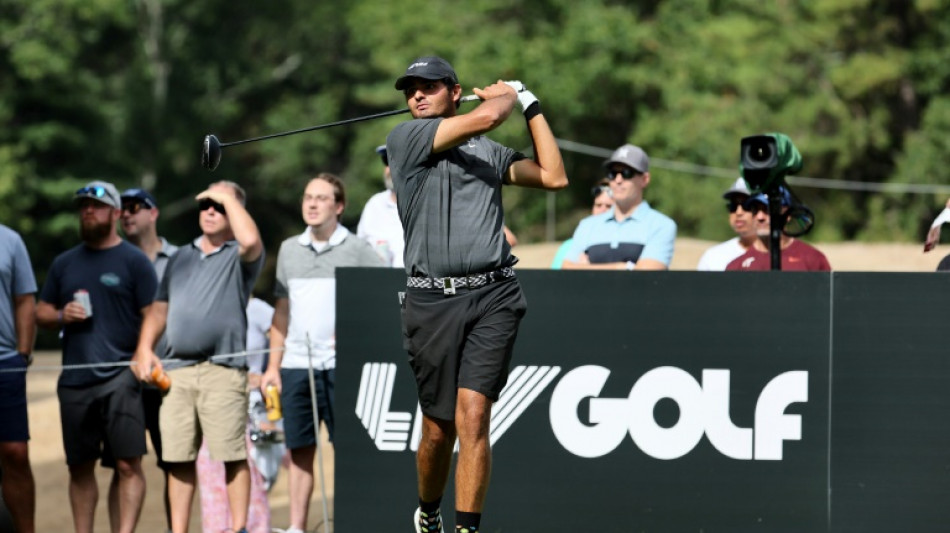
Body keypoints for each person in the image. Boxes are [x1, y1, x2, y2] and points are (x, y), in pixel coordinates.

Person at [385, 55, 568, 533]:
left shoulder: (487, 152)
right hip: (431, 301)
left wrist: (530, 104)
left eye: (428, 87)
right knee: (437, 430)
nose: (417, 96)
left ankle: (467, 528)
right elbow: (487, 115)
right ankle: (429, 509)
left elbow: (554, 176)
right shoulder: (405, 139)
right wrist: (506, 94)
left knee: (474, 416)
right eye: (411, 90)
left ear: (454, 90)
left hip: (493, 295)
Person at [132, 180, 264, 533]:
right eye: (206, 203)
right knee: (177, 459)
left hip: (223, 370)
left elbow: (251, 240)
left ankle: (238, 529)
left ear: (236, 212)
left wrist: (227, 196)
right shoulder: (180, 257)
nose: (210, 210)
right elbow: (159, 310)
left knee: (232, 456)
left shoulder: (241, 256)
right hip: (178, 372)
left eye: (220, 206)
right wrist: (144, 348)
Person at [261, 172, 384, 533]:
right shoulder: (288, 249)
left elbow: (381, 297)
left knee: (348, 450)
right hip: (297, 365)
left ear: (339, 206)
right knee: (299, 451)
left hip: (341, 366)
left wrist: (356, 334)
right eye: (307, 197)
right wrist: (273, 366)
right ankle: (298, 527)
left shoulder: (357, 249)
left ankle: (351, 522)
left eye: (321, 198)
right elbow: (281, 310)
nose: (312, 204)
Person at [35, 181, 157, 533]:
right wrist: (61, 316)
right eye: (84, 206)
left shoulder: (134, 261)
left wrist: (142, 350)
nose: (89, 211)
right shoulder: (64, 263)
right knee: (80, 467)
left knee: (128, 465)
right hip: (75, 381)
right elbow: (40, 311)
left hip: (121, 376)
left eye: (97, 206)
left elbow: (155, 311)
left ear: (116, 213)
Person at [118, 187, 176, 531]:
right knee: (124, 464)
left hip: (167, 377)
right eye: (122, 208)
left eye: (135, 207)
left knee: (174, 463)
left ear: (153, 213)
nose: (127, 213)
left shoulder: (182, 258)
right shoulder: (112, 258)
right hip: (123, 380)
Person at [196, 296, 275, 533]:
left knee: (253, 474)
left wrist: (267, 372)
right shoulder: (206, 304)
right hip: (212, 400)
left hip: (253, 406)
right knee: (211, 476)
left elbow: (287, 343)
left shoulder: (259, 309)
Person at [561, 144, 676, 270]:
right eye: (613, 173)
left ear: (644, 179)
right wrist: (624, 267)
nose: (618, 179)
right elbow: (567, 269)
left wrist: (587, 268)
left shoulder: (661, 225)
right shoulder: (587, 225)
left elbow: (646, 276)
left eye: (627, 173)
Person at [0, 223, 37, 533]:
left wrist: (22, 354)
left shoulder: (10, 240)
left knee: (15, 453)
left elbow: (25, 299)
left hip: (5, 364)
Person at [725, 187, 831, 271]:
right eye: (755, 210)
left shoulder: (813, 260)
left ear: (787, 215)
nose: (760, 217)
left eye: (768, 209)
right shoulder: (736, 267)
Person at [358, 145, 405, 267]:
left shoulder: (429, 203)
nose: (390, 169)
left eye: (397, 161)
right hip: (381, 282)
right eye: (386, 161)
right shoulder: (374, 205)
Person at [696, 177, 758, 271]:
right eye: (733, 206)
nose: (738, 212)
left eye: (747, 205)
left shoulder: (780, 254)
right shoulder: (713, 257)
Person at [550, 179, 614, 269]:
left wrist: (586, 267)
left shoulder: (624, 243)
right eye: (598, 205)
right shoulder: (568, 246)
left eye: (609, 206)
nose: (602, 210)